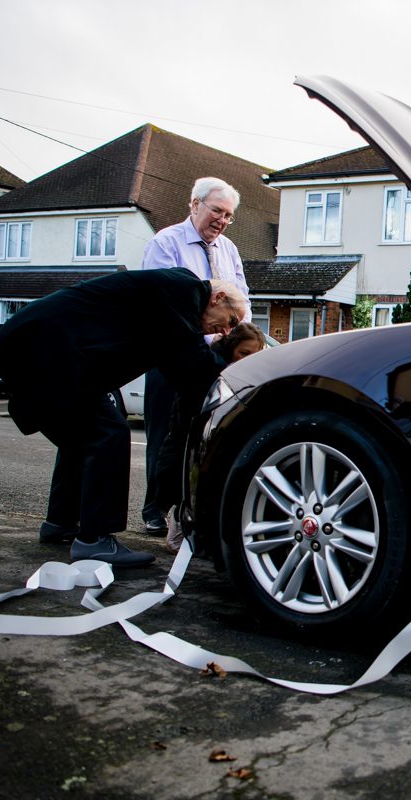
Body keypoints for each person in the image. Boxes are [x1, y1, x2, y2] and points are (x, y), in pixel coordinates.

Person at [0, 269, 246, 567]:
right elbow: (194, 364)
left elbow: (181, 371)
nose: (226, 332)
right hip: (46, 349)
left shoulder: (173, 300)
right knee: (108, 434)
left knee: (79, 439)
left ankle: (60, 522)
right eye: (231, 321)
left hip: (43, 349)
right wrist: (240, 378)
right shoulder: (184, 291)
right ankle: (95, 539)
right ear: (218, 298)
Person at [138, 177, 251, 535]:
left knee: (200, 434)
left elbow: (243, 301)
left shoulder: (229, 249)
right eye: (217, 211)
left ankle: (186, 509)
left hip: (214, 361)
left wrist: (235, 334)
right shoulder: (166, 242)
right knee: (164, 434)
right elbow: (158, 302)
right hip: (171, 355)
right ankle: (155, 509)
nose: (221, 220)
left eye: (228, 215)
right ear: (194, 205)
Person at [154, 322, 266, 554]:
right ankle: (178, 522)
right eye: (243, 353)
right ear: (230, 347)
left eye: (254, 355)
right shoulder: (210, 367)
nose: (247, 359)